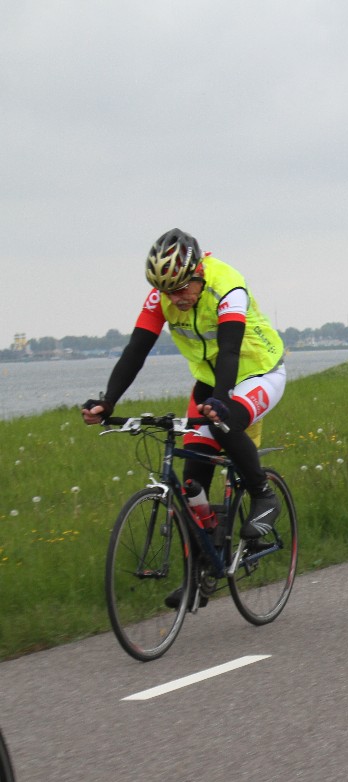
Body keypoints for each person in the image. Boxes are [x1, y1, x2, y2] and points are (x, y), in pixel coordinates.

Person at [82, 229, 286, 604]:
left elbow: (229, 350)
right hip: (209, 381)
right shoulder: (162, 296)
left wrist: (221, 402)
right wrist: (108, 401)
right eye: (167, 292)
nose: (176, 298)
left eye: (181, 288)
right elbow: (136, 349)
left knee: (223, 424)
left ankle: (264, 495)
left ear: (197, 272)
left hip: (259, 373)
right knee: (193, 479)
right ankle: (201, 573)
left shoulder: (227, 284)